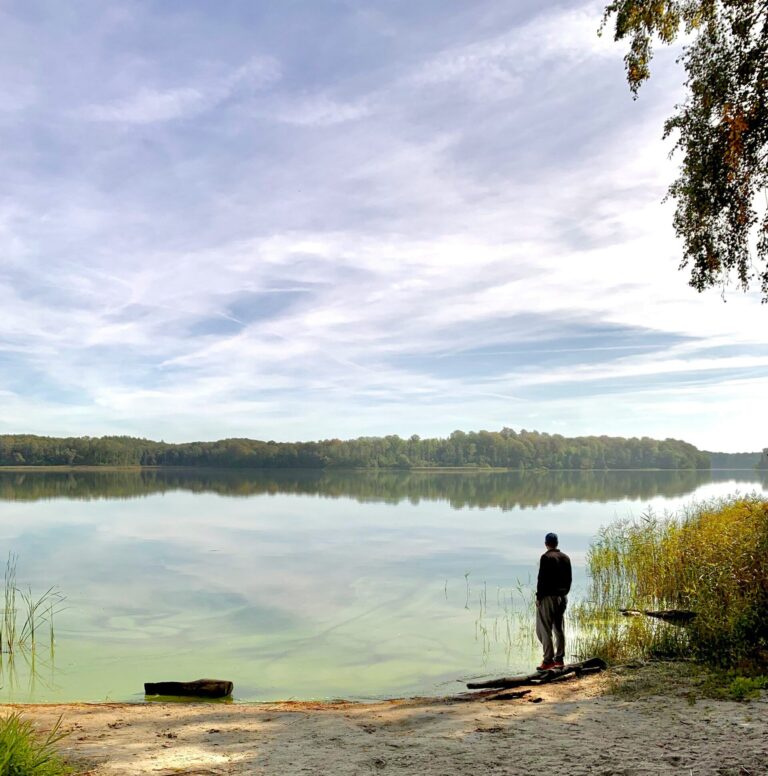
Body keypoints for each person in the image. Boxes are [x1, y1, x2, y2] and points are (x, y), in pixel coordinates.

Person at [535, 532, 572, 670]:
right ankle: (559, 659)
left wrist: (539, 597)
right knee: (559, 628)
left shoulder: (546, 557)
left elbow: (541, 579)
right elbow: (569, 579)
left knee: (544, 629)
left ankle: (548, 660)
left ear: (546, 543)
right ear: (557, 543)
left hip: (548, 597)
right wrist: (564, 594)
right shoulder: (566, 558)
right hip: (562, 597)